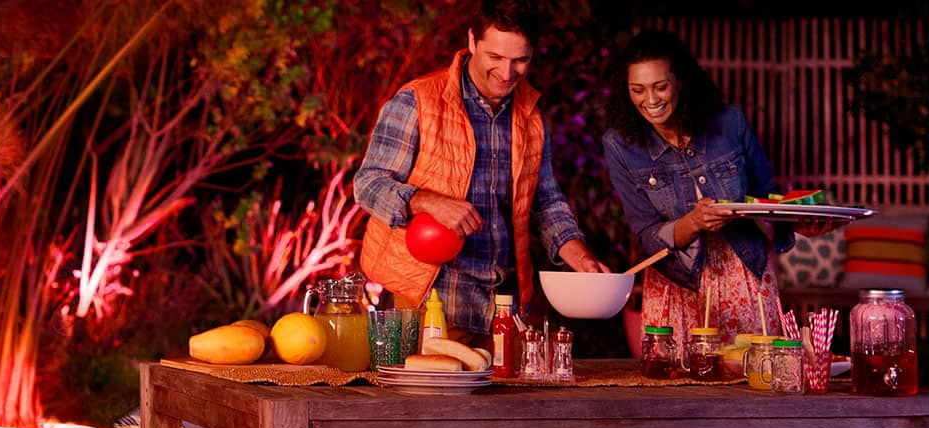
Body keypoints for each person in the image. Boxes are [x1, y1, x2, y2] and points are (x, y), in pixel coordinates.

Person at [354, 0, 610, 346]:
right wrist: (427, 202)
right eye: (495, 57)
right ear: (472, 41)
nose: (507, 72)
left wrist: (580, 255)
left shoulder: (531, 116)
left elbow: (547, 202)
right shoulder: (417, 100)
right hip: (428, 305)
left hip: (504, 309)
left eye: (520, 60)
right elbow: (368, 184)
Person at [598, 31, 839, 348]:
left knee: (756, 370)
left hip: (744, 273)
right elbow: (646, 235)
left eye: (661, 86)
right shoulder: (620, 146)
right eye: (638, 90)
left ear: (679, 81)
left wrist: (798, 222)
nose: (651, 100)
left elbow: (764, 196)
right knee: (676, 376)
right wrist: (693, 222)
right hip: (676, 283)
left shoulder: (729, 123)